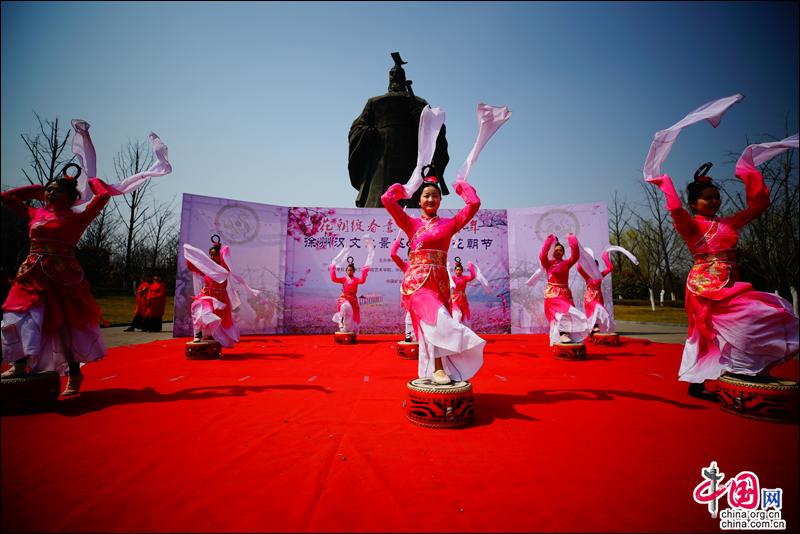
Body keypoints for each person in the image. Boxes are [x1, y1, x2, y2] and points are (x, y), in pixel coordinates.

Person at [647, 163, 799, 398]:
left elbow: (758, 206)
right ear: (694, 204)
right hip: (705, 285)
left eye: (716, 197)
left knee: (755, 317)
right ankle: (700, 381)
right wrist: (664, 182)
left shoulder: (728, 223)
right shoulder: (691, 225)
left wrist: (748, 171)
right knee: (710, 330)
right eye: (708, 198)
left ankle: (741, 370)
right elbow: (676, 209)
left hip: (730, 283)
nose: (715, 201)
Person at [1, 165, 111, 396]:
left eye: (56, 191)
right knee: (17, 315)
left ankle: (74, 373)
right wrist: (36, 190)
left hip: (64, 279)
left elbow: (103, 196)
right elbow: (7, 197)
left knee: (64, 327)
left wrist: (91, 180)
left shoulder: (78, 218)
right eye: (48, 191)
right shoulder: (35, 214)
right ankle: (18, 362)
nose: (50, 194)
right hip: (31, 275)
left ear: (71, 197)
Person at [382, 169, 485, 385]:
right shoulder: (411, 224)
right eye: (426, 195)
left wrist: (460, 185)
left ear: (439, 200)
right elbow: (387, 200)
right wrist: (407, 188)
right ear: (419, 201)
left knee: (433, 326)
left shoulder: (450, 223)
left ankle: (439, 368)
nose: (430, 199)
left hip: (439, 283)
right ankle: (444, 364)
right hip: (416, 284)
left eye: (435, 195)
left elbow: (473, 204)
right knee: (440, 320)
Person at [348, 53, 449, 208]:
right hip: (381, 159)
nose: (395, 76)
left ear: (403, 78)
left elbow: (437, 128)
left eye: (398, 74)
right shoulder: (375, 103)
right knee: (379, 200)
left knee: (412, 198)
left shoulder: (419, 103)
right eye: (392, 74)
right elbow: (357, 127)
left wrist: (422, 120)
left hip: (412, 156)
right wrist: (369, 132)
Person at [184, 239, 240, 348]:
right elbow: (192, 266)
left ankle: (212, 341)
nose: (212, 257)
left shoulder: (224, 269)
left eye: (215, 255)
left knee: (219, 326)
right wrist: (189, 255)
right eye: (211, 255)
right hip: (206, 296)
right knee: (199, 309)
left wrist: (219, 247)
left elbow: (226, 251)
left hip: (220, 300)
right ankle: (198, 334)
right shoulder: (207, 268)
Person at [539, 233, 592, 345]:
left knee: (567, 315)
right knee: (561, 315)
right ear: (553, 252)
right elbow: (542, 256)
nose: (558, 252)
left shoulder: (567, 263)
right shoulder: (548, 263)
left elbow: (575, 255)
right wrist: (549, 240)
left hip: (565, 294)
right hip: (552, 295)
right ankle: (563, 334)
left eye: (561, 250)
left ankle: (565, 334)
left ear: (563, 253)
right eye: (556, 250)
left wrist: (571, 239)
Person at [330, 256, 370, 333]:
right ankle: (341, 323)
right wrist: (332, 267)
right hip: (344, 299)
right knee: (344, 307)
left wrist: (364, 272)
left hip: (353, 300)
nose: (349, 271)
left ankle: (348, 329)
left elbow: (362, 281)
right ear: (346, 271)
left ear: (353, 271)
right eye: (348, 270)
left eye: (351, 270)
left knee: (351, 316)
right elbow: (334, 279)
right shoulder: (343, 279)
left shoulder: (356, 280)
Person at [390, 233, 416, 342]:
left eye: (414, 254)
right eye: (410, 254)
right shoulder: (406, 266)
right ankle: (409, 336)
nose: (412, 255)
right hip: (410, 298)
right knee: (409, 318)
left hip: (422, 297)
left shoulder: (423, 266)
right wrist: (398, 239)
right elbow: (393, 255)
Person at [577, 256, 613, 335]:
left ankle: (594, 330)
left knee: (598, 314)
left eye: (596, 266)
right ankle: (593, 327)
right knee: (596, 311)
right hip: (589, 299)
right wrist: (582, 257)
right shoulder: (587, 276)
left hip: (599, 298)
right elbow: (579, 268)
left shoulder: (600, 275)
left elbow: (610, 268)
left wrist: (605, 256)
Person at [450, 257, 477, 324]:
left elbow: (473, 276)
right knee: (456, 314)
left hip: (463, 298)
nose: (458, 271)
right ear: (455, 271)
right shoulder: (453, 278)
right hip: (454, 299)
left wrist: (470, 266)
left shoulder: (464, 278)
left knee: (463, 315)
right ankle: (455, 328)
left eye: (459, 270)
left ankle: (462, 330)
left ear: (462, 271)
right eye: (457, 270)